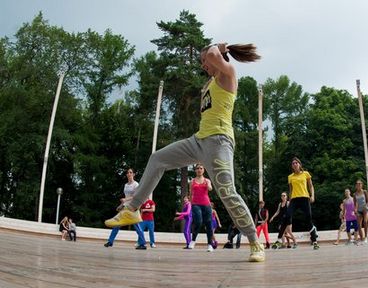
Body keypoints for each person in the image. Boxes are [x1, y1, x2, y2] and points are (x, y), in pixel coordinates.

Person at [105, 43, 264, 262]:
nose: (203, 65)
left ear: (215, 57)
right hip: (198, 141)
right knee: (157, 158)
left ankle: (255, 242)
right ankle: (133, 207)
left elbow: (211, 53)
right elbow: (210, 60)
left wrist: (221, 47)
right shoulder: (209, 84)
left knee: (228, 192)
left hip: (219, 142)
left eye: (204, 62)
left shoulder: (229, 73)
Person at [104, 168, 146, 249]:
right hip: (125, 207)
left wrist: (126, 200)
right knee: (117, 223)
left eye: (131, 172)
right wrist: (121, 205)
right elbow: (126, 197)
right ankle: (110, 241)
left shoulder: (136, 184)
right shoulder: (126, 185)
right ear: (127, 175)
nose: (129, 174)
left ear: (134, 174)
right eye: (128, 172)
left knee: (137, 225)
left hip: (132, 207)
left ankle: (142, 244)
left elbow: (136, 196)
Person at [287, 157, 319, 249]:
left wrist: (312, 196)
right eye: (293, 163)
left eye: (296, 163)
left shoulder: (306, 174)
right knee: (288, 215)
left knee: (308, 218)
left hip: (304, 198)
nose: (295, 164)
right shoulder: (290, 177)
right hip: (294, 199)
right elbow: (290, 190)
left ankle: (314, 239)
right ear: (292, 166)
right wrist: (289, 200)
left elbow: (311, 186)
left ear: (300, 165)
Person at [187, 164, 214, 252]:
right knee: (198, 221)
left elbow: (210, 188)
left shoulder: (207, 180)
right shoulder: (192, 181)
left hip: (206, 204)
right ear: (195, 170)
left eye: (201, 168)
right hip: (195, 204)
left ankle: (210, 244)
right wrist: (190, 204)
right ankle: (193, 240)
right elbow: (190, 194)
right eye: (197, 168)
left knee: (209, 224)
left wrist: (208, 186)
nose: (199, 170)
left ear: (203, 170)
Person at [354, 179, 368, 243]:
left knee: (365, 222)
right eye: (358, 184)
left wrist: (366, 206)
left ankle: (366, 237)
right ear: (356, 186)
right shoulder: (355, 194)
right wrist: (355, 210)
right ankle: (361, 239)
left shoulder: (364, 191)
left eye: (360, 184)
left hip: (365, 209)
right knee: (359, 225)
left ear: (362, 185)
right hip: (359, 210)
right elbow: (355, 204)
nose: (359, 185)